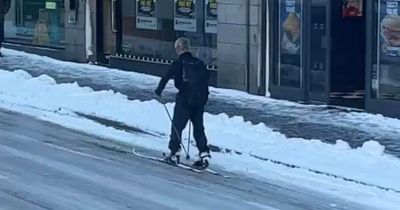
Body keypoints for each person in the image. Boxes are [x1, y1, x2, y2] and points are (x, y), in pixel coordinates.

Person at [154, 37, 211, 169]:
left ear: (179, 49)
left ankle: (174, 153)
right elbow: (206, 80)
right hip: (198, 101)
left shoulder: (178, 63)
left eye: (176, 49)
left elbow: (166, 77)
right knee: (198, 129)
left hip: (184, 100)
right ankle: (204, 153)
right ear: (189, 48)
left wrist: (158, 91)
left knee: (177, 126)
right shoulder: (199, 63)